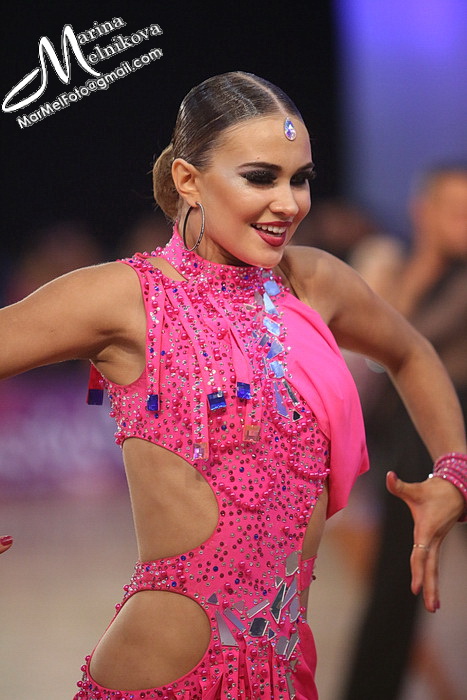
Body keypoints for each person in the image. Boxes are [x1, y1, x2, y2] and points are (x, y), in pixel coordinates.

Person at [0, 72, 465, 700]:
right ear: (189, 180)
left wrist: (453, 470)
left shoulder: (314, 282)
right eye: (260, 177)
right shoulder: (125, 297)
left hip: (282, 669)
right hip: (162, 677)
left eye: (299, 178)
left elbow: (411, 352)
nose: (289, 203)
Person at [341, 164, 467, 700]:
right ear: (423, 212)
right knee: (396, 581)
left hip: (449, 429)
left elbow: (409, 341)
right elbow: (374, 344)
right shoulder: (400, 267)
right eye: (455, 211)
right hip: (409, 437)